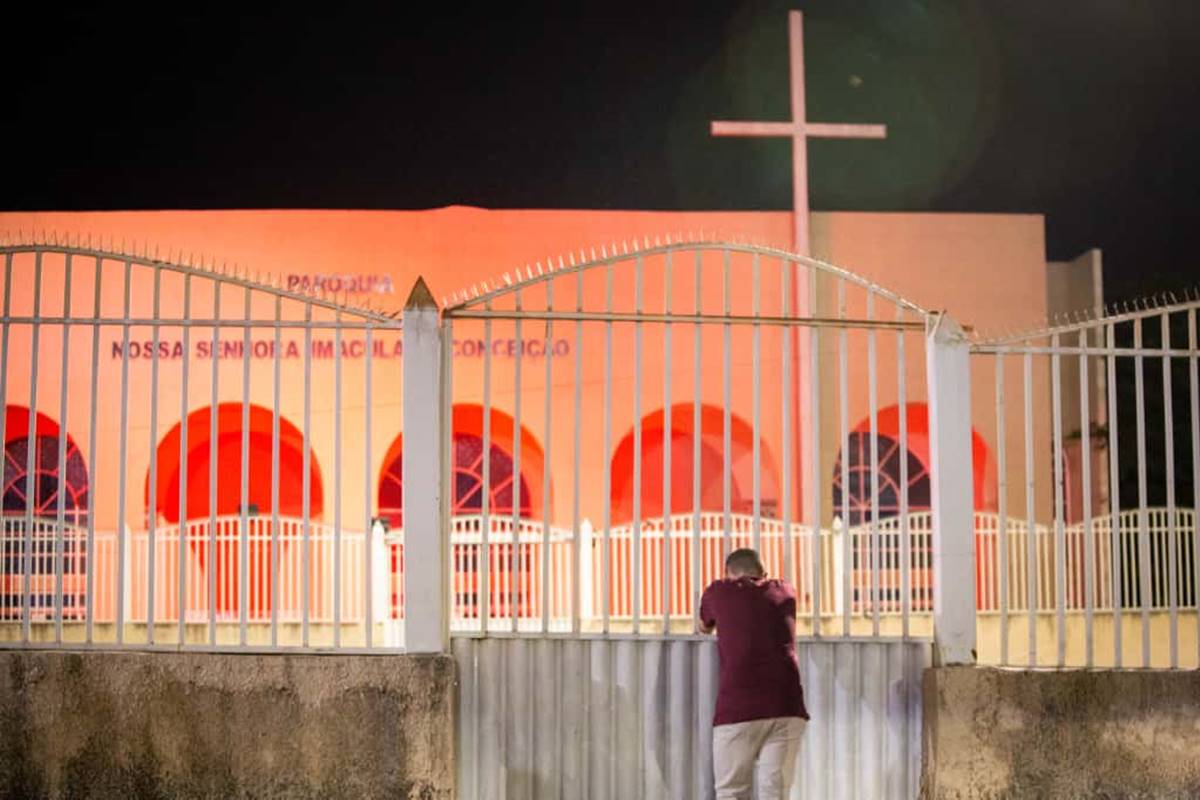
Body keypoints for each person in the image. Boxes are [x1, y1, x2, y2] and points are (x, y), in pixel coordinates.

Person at [699, 548, 809, 800]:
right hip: (787, 708)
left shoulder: (719, 591)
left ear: (729, 574)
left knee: (732, 791)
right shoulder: (786, 591)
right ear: (764, 573)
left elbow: (703, 626)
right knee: (775, 793)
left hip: (738, 709)